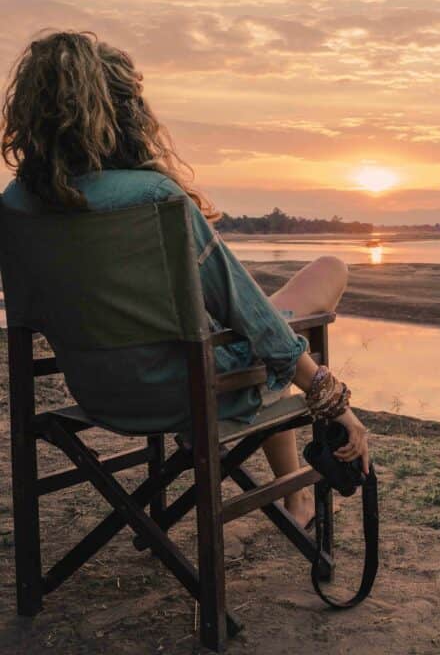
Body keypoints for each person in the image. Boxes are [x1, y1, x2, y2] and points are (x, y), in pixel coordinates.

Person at [0, 29, 370, 529]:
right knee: (327, 273)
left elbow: (26, 314)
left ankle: (297, 500)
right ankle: (298, 496)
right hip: (191, 392)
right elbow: (253, 318)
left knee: (262, 332)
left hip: (99, 391)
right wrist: (332, 400)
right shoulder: (152, 196)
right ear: (122, 111)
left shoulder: (16, 205)